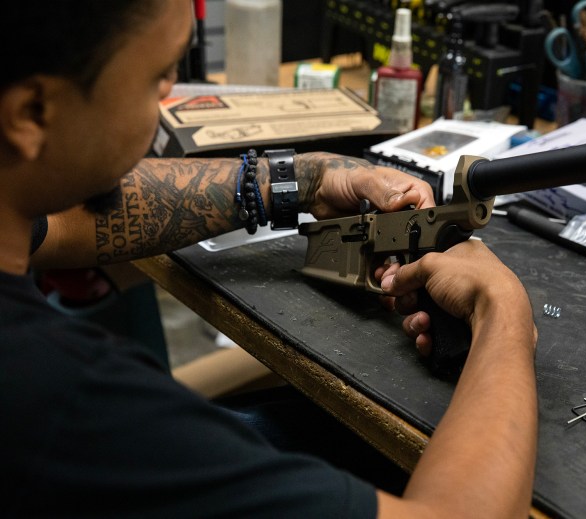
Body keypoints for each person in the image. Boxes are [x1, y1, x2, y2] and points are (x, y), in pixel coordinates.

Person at [0, 1, 539, 517]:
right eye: (157, 76)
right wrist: (500, 310)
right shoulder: (65, 400)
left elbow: (64, 218)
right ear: (31, 114)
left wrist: (305, 179)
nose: (170, 93)